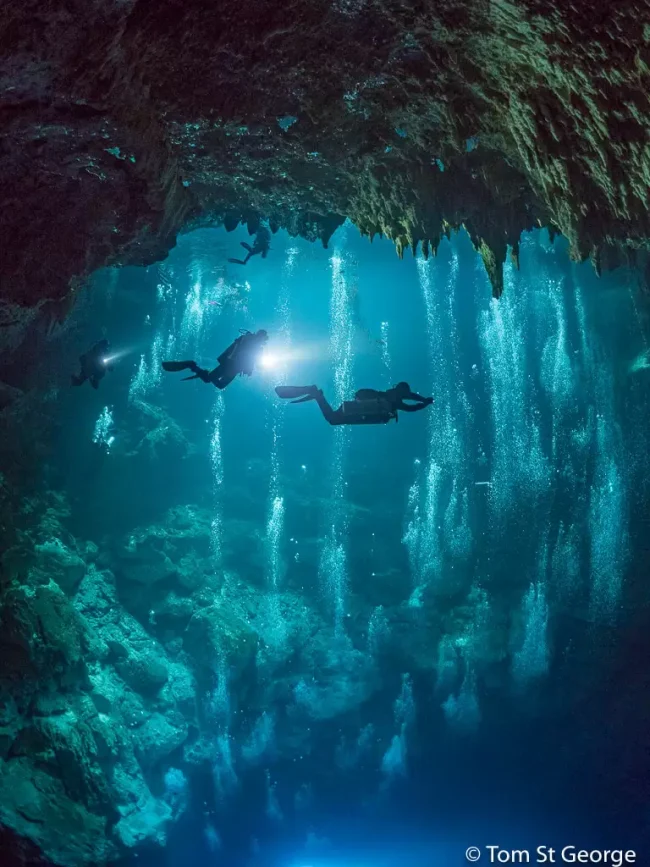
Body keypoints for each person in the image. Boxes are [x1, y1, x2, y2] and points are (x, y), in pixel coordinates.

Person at [275, 381, 433, 425]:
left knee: (333, 419)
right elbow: (411, 407)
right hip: (359, 410)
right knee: (332, 419)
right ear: (401, 391)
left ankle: (317, 395)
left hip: (358, 407)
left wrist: (424, 400)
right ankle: (316, 394)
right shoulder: (394, 401)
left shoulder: (390, 395)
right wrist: (424, 403)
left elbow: (411, 397)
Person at [162, 329, 269, 390]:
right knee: (211, 381)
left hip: (235, 369)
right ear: (260, 336)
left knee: (216, 383)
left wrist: (250, 370)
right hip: (230, 365)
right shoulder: (247, 339)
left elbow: (253, 360)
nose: (263, 340)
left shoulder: (258, 347)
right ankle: (192, 365)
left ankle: (200, 370)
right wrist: (230, 357)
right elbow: (237, 347)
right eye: (263, 338)